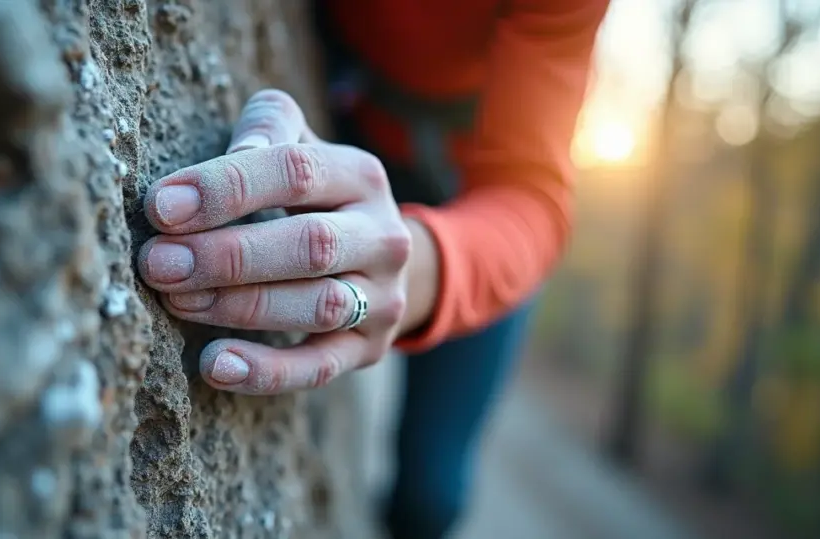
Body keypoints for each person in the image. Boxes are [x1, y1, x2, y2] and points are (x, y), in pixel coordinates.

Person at [136, 1, 611, 537]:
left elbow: (530, 200)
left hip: (471, 217)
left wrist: (415, 270)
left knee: (431, 498)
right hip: (351, 114)